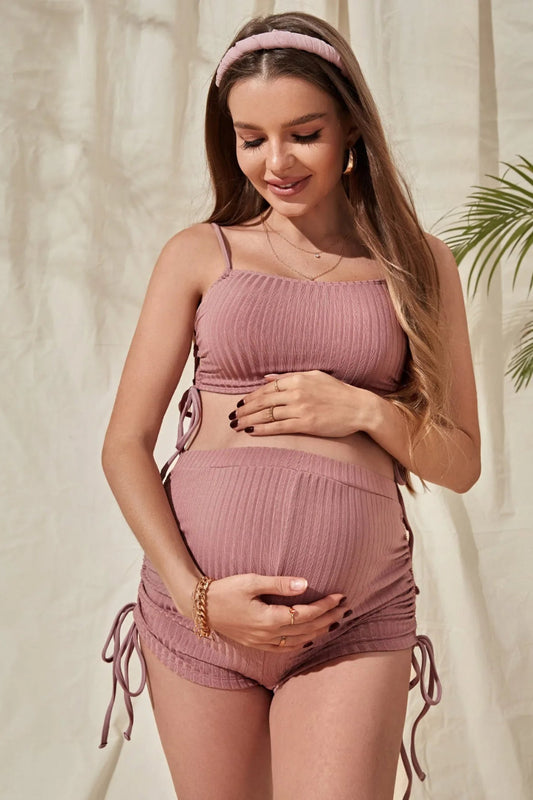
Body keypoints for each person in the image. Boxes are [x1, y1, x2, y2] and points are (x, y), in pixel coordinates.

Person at [98, 11, 480, 800]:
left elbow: (462, 460)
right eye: (249, 138)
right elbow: (126, 446)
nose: (274, 162)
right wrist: (199, 600)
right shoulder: (201, 253)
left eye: (302, 133)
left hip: (352, 621)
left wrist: (365, 410)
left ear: (350, 131)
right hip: (200, 621)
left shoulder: (415, 263)